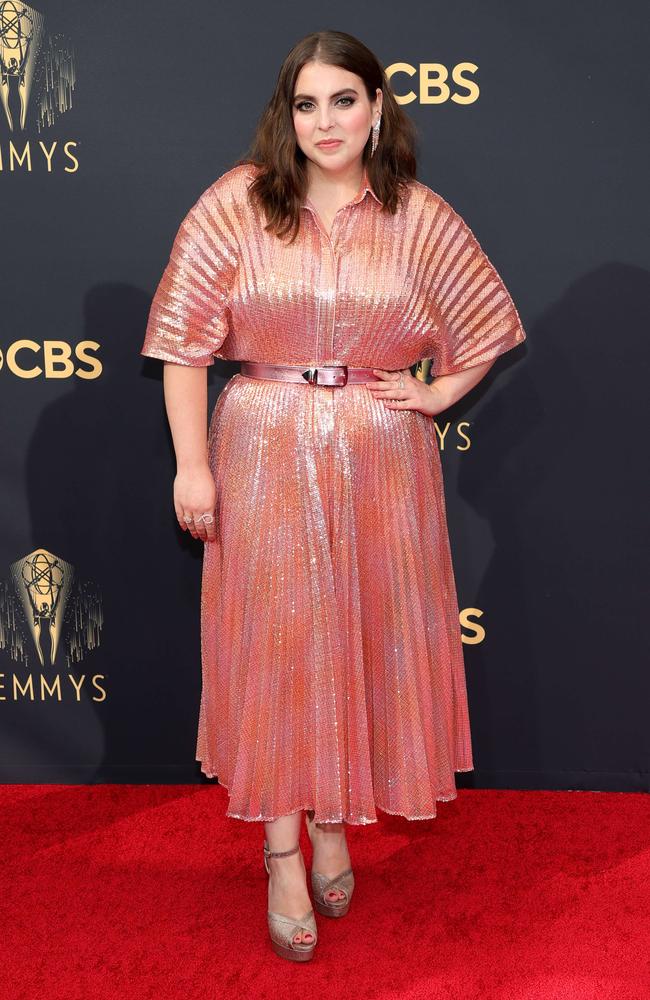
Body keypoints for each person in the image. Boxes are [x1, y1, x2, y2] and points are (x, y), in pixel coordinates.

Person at [140, 29, 526, 962]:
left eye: (343, 100)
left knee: (358, 640)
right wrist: (193, 465)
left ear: (377, 106)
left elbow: (485, 320)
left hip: (382, 461)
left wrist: (435, 392)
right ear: (287, 113)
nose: (326, 122)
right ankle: (282, 845)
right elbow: (184, 348)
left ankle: (332, 823)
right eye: (307, 104)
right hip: (263, 447)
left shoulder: (419, 216)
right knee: (275, 648)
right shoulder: (236, 205)